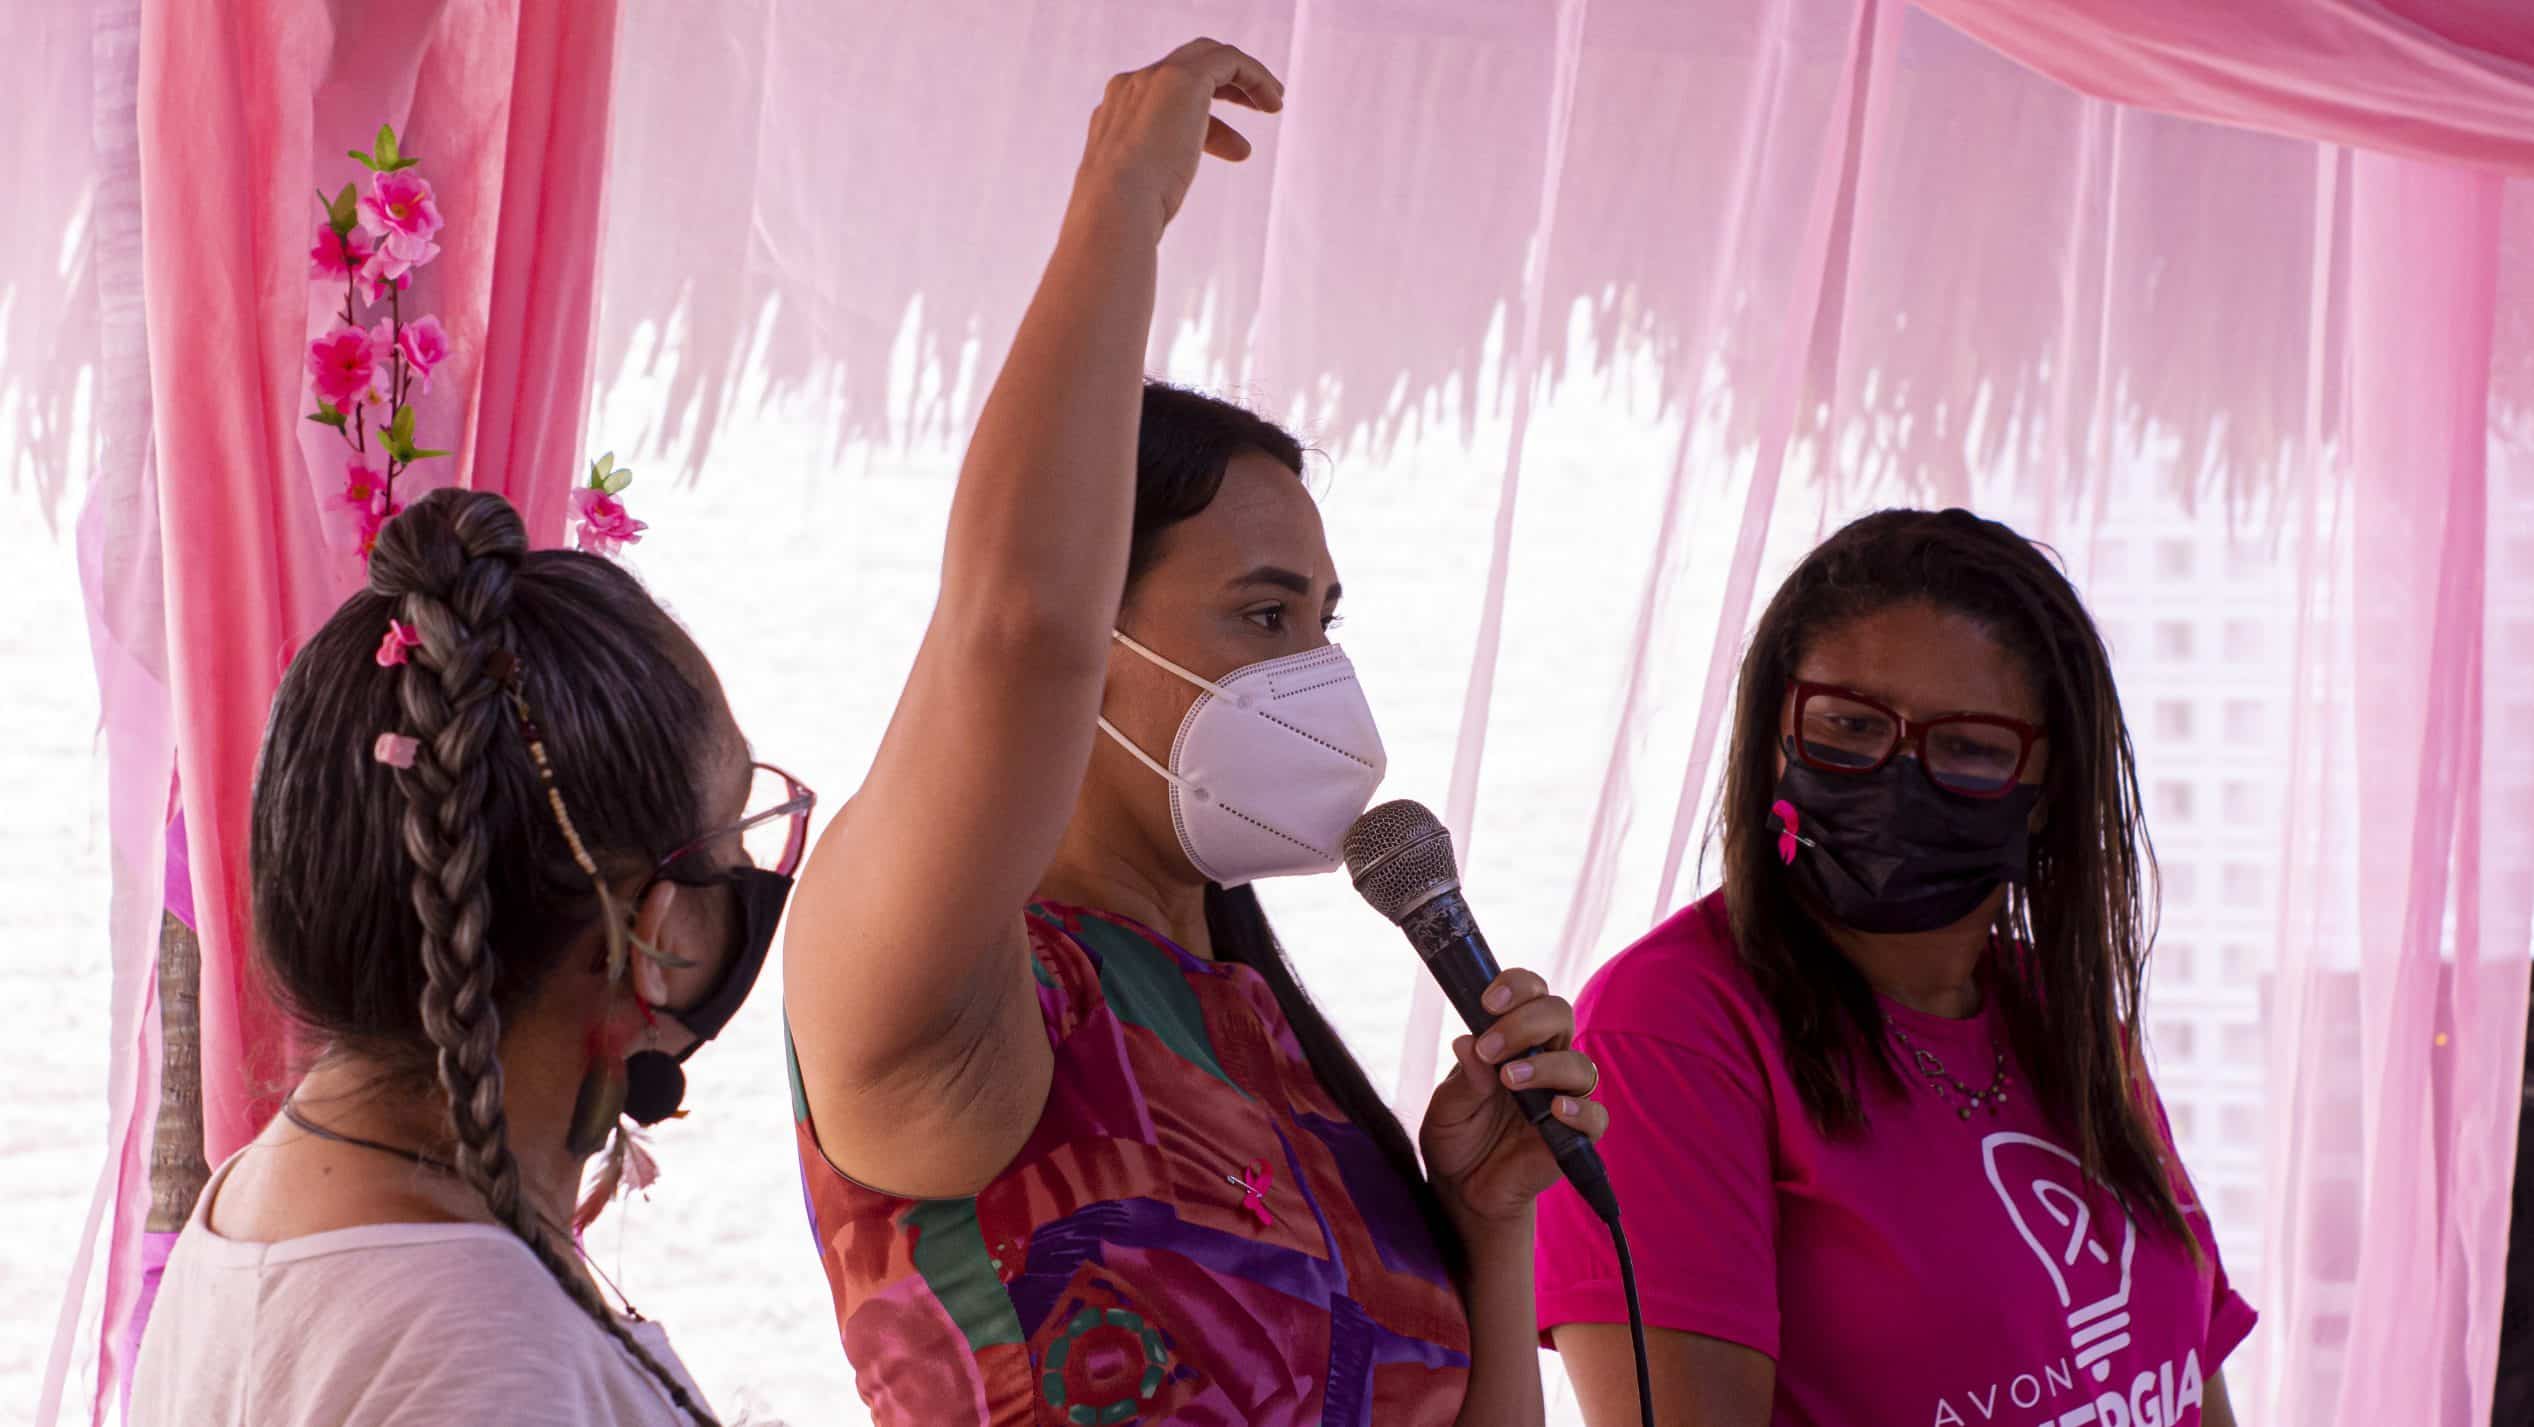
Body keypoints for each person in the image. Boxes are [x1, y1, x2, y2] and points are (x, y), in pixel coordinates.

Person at [780, 38, 1606, 1427]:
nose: (1314, 674)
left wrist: (1484, 1220)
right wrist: (1119, 197)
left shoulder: (1270, 1039)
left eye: (1323, 623)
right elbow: (1015, 628)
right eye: (1261, 615)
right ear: (1097, 647)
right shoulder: (963, 987)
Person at [1536, 509, 2256, 1427]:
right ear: (1774, 736)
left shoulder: (2059, 1010)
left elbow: (2188, 1384)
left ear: (2048, 793)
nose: (1898, 776)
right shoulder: (1667, 1027)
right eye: (1848, 727)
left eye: (1970, 749)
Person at [132, 490, 815, 1426]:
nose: (751, 871)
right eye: (736, 841)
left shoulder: (268, 1195)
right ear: (651, 938)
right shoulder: (483, 1358)